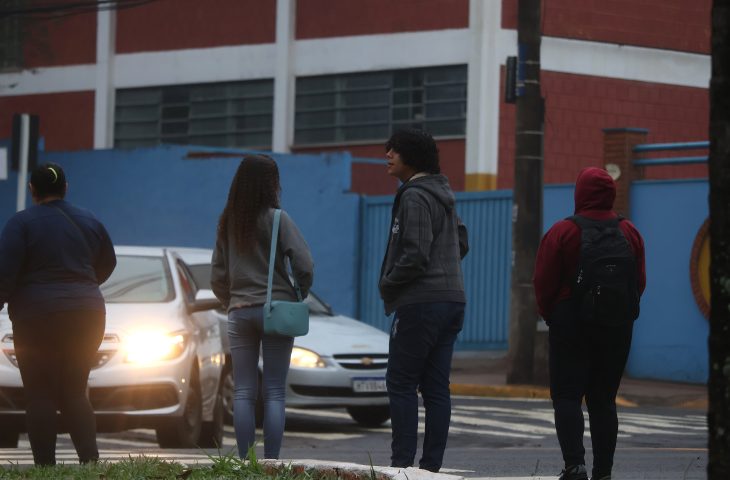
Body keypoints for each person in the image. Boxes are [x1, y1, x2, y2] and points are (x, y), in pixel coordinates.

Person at [533, 167, 646, 480]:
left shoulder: (563, 231)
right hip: (617, 326)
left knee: (568, 396)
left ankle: (575, 466)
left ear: (579, 193)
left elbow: (543, 282)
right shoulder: (630, 232)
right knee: (604, 399)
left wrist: (551, 314)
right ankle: (604, 472)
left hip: (571, 323)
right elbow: (639, 282)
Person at [0, 162, 116, 466]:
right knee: (76, 390)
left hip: (36, 316)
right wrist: (82, 289)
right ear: (65, 188)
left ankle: (45, 468)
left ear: (32, 190)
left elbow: (5, 274)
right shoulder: (90, 220)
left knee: (40, 393)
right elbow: (107, 263)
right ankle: (90, 464)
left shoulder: (20, 223)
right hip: (87, 314)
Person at [211, 154, 313, 460]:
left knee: (243, 390)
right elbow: (304, 264)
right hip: (276, 311)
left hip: (239, 311)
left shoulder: (228, 221)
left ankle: (245, 462)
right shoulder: (278, 218)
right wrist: (299, 292)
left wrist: (231, 301)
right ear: (272, 184)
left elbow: (218, 274)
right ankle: (271, 463)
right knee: (274, 391)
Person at [378, 128, 468, 473]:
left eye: (394, 150)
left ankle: (402, 466)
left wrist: (388, 282)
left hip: (420, 303)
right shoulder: (443, 193)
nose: (387, 155)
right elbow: (461, 240)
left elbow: (414, 254)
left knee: (400, 382)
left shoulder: (414, 196)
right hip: (452, 300)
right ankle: (430, 469)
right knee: (435, 387)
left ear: (410, 156)